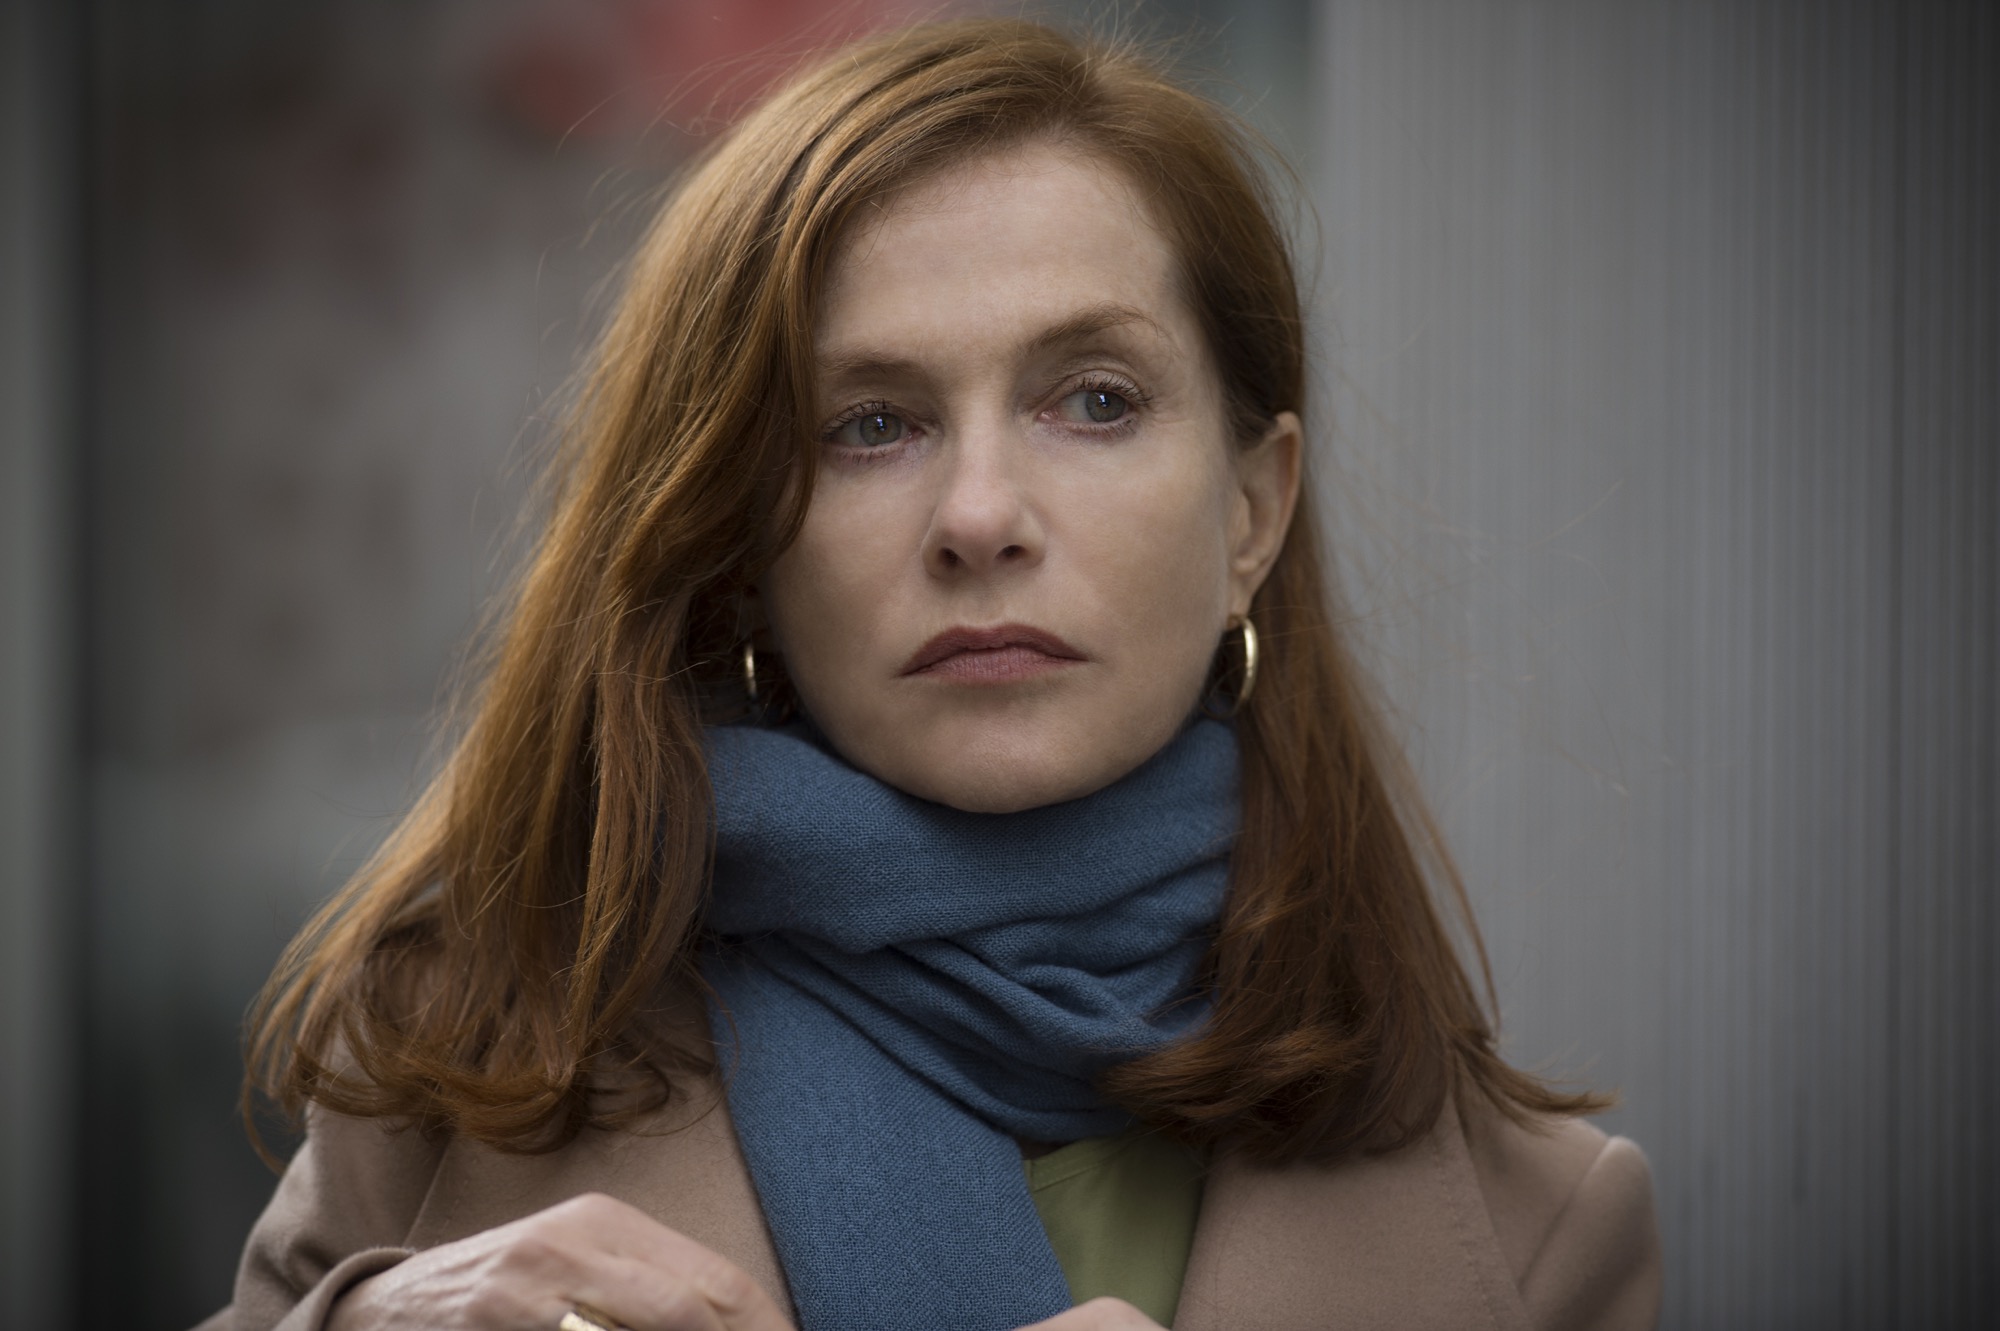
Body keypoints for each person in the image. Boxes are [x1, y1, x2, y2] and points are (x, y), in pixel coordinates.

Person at [200, 18, 1661, 1331]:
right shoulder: (454, 1055)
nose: (978, 516)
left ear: (1251, 517)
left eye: (1095, 400)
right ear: (740, 547)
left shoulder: (1546, 1235)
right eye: (871, 424)